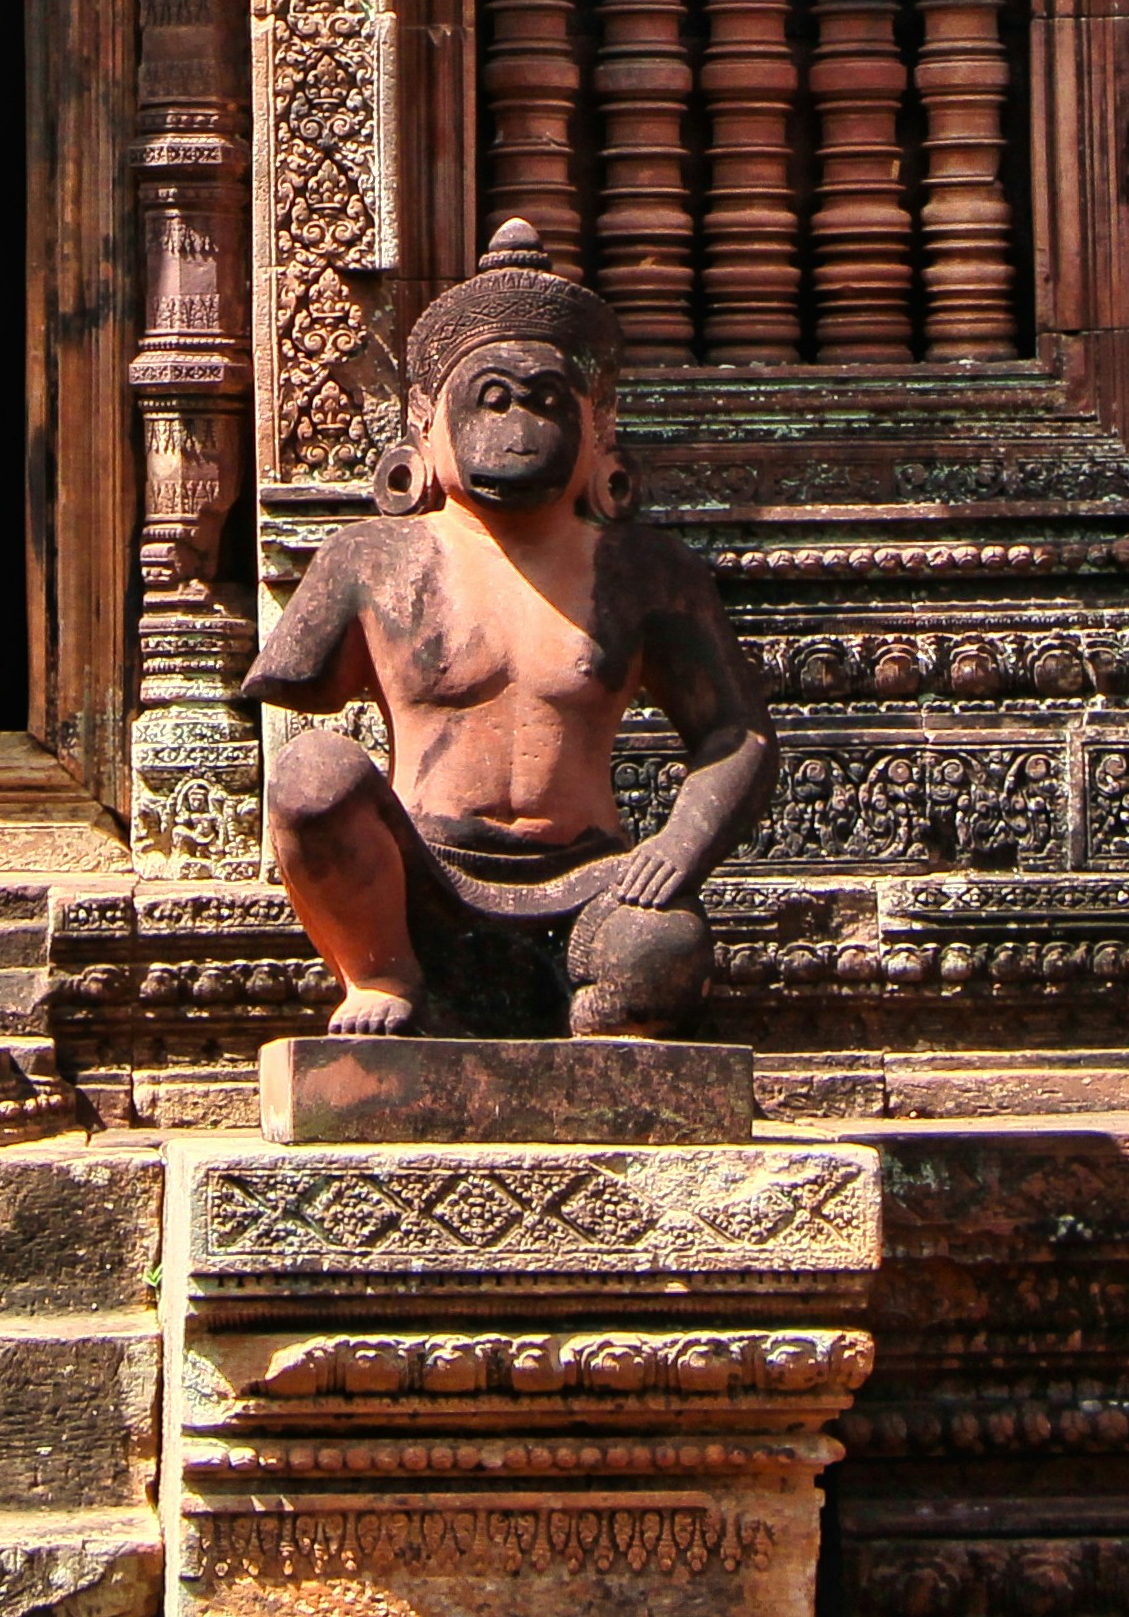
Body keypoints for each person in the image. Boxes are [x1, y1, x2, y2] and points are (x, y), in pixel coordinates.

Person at [243, 221, 773, 1039]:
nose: (520, 425)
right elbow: (297, 722)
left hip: (591, 884)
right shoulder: (373, 559)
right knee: (313, 773)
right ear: (426, 425)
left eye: (547, 400)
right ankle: (382, 975)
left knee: (663, 949)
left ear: (597, 427)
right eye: (493, 398)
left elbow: (738, 735)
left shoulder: (642, 570)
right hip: (418, 883)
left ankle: (594, 1013)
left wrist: (678, 846)